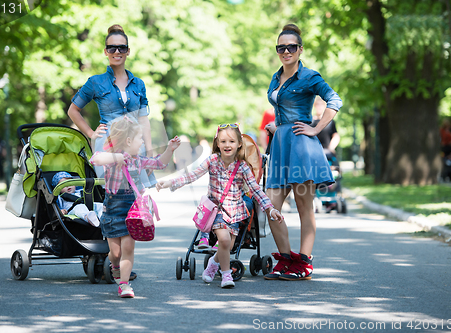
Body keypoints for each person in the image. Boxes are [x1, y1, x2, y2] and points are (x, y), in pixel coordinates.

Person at [157, 123, 283, 288]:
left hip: (235, 212)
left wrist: (270, 209)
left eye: (231, 141)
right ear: (217, 144)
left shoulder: (243, 167)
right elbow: (191, 176)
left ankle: (212, 264)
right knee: (223, 240)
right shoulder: (212, 161)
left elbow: (256, 190)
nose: (227, 145)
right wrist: (169, 182)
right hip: (216, 210)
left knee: (228, 246)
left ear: (239, 144)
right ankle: (226, 275)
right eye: (223, 141)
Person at [263, 23, 343, 281]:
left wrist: (317, 127)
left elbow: (334, 100)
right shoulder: (276, 77)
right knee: (270, 206)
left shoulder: (309, 77)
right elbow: (282, 107)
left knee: (303, 207)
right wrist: (278, 126)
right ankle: (286, 260)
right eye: (281, 47)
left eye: (291, 47)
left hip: (301, 148)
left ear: (300, 49)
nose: (286, 51)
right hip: (281, 146)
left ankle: (305, 264)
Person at [90, 116, 181, 298]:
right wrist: (117, 156)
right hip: (113, 210)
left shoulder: (138, 160)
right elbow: (95, 159)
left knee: (128, 248)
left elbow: (159, 163)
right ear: (129, 140)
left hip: (132, 211)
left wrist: (169, 150)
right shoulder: (112, 159)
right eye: (139, 139)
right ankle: (114, 266)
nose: (141, 143)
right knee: (115, 253)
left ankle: (124, 285)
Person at [68, 24, 156, 188]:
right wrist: (91, 133)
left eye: (121, 48)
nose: (117, 52)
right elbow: (73, 110)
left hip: (135, 145)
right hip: (107, 146)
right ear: (105, 51)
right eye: (112, 48)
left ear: (128, 51)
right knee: (112, 196)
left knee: (136, 196)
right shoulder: (95, 82)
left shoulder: (139, 84)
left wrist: (149, 150)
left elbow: (143, 118)